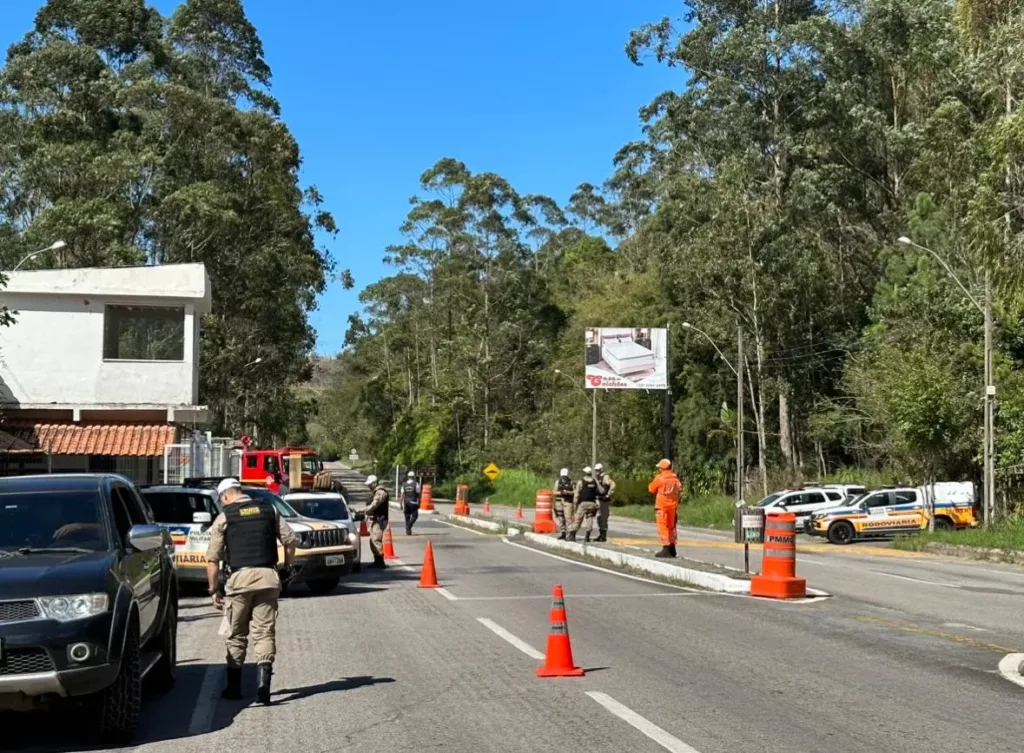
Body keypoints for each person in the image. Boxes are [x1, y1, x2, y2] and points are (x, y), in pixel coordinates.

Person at [206, 477, 297, 704]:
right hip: (268, 577)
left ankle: (234, 688)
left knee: (236, 634)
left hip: (239, 580)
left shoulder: (224, 517)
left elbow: (213, 560)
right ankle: (263, 686)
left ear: (226, 496)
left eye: (222, 500)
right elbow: (290, 540)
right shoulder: (269, 509)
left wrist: (213, 589)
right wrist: (287, 567)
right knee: (264, 632)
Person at [648, 459, 682, 558]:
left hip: (662, 506)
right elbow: (680, 488)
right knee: (672, 527)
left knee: (663, 527)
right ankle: (672, 548)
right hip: (673, 506)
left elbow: (651, 488)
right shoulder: (675, 479)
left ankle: (665, 549)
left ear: (662, 468)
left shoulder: (660, 478)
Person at [362, 475, 390, 568]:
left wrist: (366, 510)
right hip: (376, 519)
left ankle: (380, 562)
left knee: (376, 539)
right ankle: (377, 560)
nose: (368, 486)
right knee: (373, 540)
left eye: (370, 484)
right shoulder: (376, 492)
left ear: (374, 483)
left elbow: (375, 504)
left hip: (380, 519)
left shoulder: (380, 493)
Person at [568, 466, 599, 543]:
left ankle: (572, 535)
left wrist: (575, 504)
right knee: (589, 518)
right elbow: (599, 491)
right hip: (592, 503)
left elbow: (576, 494)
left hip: (583, 503)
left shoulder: (581, 482)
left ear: (584, 473)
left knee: (578, 519)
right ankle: (587, 536)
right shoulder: (595, 481)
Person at [593, 463, 616, 543]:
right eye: (596, 470)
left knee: (603, 518)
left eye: (598, 470)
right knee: (599, 518)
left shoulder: (605, 477)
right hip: (599, 500)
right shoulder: (597, 477)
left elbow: (612, 485)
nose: (596, 472)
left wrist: (608, 494)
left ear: (601, 470)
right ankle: (601, 534)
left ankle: (603, 535)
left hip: (604, 500)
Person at [553, 468, 574, 540]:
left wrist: (568, 492)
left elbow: (575, 492)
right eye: (563, 476)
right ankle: (563, 533)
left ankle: (570, 533)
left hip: (568, 502)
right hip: (559, 502)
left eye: (565, 476)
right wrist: (561, 492)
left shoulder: (571, 482)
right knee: (560, 517)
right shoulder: (557, 482)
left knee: (568, 518)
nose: (564, 477)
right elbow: (554, 492)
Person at [401, 470, 421, 535]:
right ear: (413, 477)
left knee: (407, 517)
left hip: (406, 502)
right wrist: (419, 502)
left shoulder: (404, 484)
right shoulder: (416, 484)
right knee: (415, 516)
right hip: (413, 502)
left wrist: (400, 504)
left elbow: (402, 495)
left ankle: (408, 531)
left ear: (408, 477)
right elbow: (418, 494)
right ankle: (408, 527)